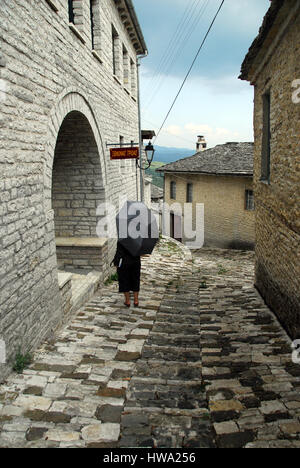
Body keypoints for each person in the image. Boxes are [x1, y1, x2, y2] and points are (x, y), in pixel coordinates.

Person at [113, 241, 141, 307]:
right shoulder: (138, 239)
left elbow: (119, 252)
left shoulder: (122, 239)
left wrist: (116, 262)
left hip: (124, 262)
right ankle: (136, 300)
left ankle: (127, 301)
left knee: (124, 280)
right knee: (136, 279)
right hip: (135, 261)